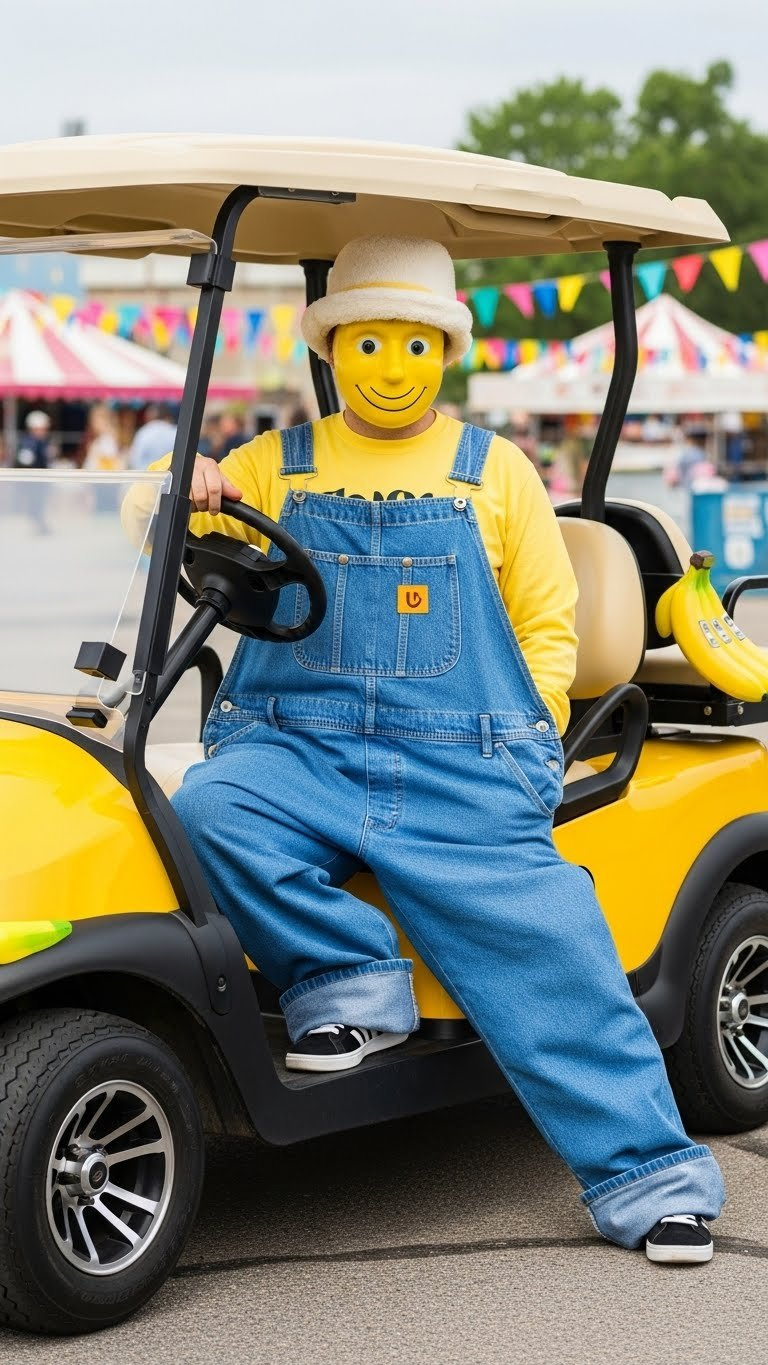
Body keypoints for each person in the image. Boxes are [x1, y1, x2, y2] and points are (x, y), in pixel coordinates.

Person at [125, 235, 724, 1264]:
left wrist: (528, 735)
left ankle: (650, 1174)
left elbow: (549, 621)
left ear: (443, 352)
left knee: (552, 944)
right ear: (335, 349)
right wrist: (189, 488)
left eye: (412, 344)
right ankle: (351, 986)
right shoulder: (278, 460)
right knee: (208, 806)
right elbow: (154, 519)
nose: (389, 365)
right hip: (299, 748)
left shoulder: (494, 471)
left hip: (464, 757)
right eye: (367, 343)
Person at [127, 403, 177, 470]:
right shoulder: (175, 431)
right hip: (170, 476)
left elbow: (134, 459)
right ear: (167, 417)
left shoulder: (144, 432)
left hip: (147, 476)